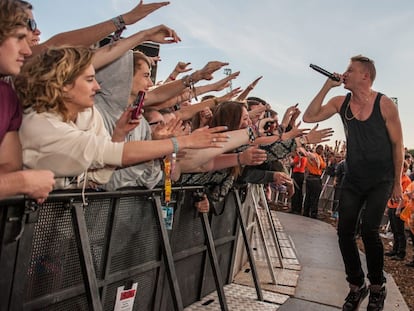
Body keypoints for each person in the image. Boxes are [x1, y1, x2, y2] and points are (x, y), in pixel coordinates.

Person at [14, 46, 230, 189]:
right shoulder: (42, 124)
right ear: (64, 83)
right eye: (89, 79)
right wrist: (181, 142)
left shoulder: (93, 117)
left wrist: (118, 136)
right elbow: (112, 155)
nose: (97, 86)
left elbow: (100, 177)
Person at [303, 55, 404, 311]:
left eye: (350, 70)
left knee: (370, 230)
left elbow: (397, 145)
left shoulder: (385, 105)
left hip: (381, 180)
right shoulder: (341, 101)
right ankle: (356, 285)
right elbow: (309, 117)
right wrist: (328, 86)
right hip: (353, 178)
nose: (344, 73)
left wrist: (397, 184)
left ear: (365, 76)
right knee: (344, 231)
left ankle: (378, 287)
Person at [0, 0, 55, 203]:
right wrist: (20, 182)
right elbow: (13, 178)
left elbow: (9, 166)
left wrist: (15, 179)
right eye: (18, 38)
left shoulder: (7, 96)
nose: (28, 51)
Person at [384, 160, 411, 261]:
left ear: (404, 168)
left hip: (399, 206)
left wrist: (399, 208)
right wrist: (388, 206)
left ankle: (401, 252)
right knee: (394, 230)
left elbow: (404, 196)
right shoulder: (396, 179)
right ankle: (394, 250)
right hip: (392, 205)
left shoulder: (406, 180)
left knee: (400, 231)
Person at [303, 144, 326, 218]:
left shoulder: (309, 156)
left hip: (309, 177)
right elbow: (323, 166)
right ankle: (313, 213)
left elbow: (306, 166)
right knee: (315, 197)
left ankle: (305, 212)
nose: (322, 152)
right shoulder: (318, 157)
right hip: (316, 178)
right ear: (320, 150)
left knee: (308, 196)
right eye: (322, 150)